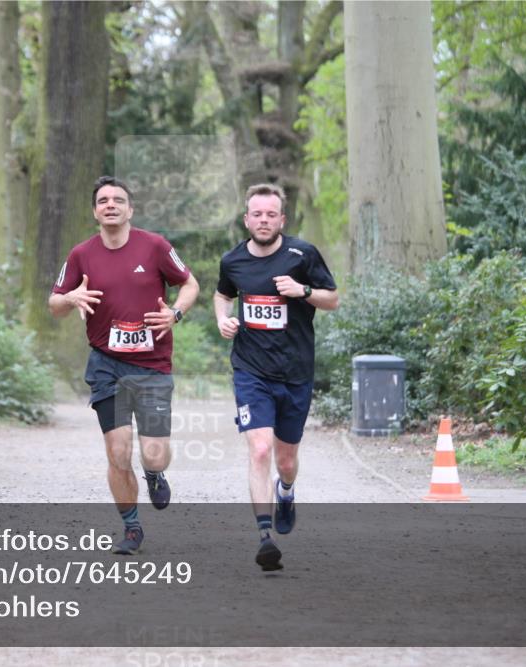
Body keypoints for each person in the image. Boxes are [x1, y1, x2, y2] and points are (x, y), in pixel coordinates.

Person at [49, 175, 199, 555]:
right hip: (106, 364)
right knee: (117, 451)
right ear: (95, 212)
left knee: (154, 452)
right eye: (103, 200)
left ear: (130, 209)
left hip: (152, 366)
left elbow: (190, 284)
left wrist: (176, 314)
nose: (110, 204)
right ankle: (131, 528)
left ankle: (153, 473)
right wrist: (70, 298)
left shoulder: (156, 247)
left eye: (118, 199)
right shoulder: (81, 255)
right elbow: (54, 304)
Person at [213, 183, 338, 571]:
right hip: (251, 371)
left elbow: (332, 298)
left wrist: (302, 290)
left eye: (271, 214)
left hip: (296, 372)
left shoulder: (303, 254)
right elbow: (222, 294)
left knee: (285, 461)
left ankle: (286, 491)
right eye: (257, 214)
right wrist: (222, 319)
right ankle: (264, 536)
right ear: (246, 218)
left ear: (281, 219)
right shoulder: (233, 260)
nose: (263, 220)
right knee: (260, 450)